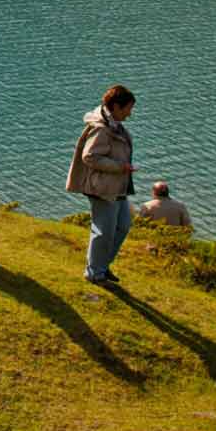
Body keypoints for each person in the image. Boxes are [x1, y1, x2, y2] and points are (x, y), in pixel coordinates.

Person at [65, 83, 138, 286]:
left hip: (117, 186)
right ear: (115, 106)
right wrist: (119, 167)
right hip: (103, 187)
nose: (130, 114)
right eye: (128, 109)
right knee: (103, 231)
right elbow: (90, 156)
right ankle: (95, 272)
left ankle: (101, 267)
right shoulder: (102, 129)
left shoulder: (113, 124)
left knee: (122, 226)